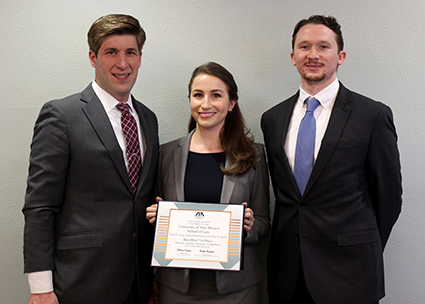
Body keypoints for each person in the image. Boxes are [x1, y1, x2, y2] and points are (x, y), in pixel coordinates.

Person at [261, 15, 402, 304]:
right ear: (292, 57)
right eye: (304, 47)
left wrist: (365, 247)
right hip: (288, 273)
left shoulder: (372, 116)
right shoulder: (272, 119)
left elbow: (388, 198)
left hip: (351, 272)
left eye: (323, 47)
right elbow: (285, 196)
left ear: (340, 56)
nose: (313, 55)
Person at [23, 14, 159, 304]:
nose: (122, 64)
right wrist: (40, 286)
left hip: (140, 284)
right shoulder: (61, 116)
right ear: (92, 57)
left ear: (140, 57)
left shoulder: (148, 118)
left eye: (130, 53)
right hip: (81, 282)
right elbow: (40, 206)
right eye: (111, 52)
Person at [146, 62, 270, 304]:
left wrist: (248, 226)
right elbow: (156, 215)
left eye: (216, 95)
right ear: (190, 99)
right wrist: (156, 217)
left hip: (238, 290)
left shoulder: (254, 155)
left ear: (231, 103)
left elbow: (264, 222)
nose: (205, 104)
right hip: (176, 289)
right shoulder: (165, 153)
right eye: (198, 95)